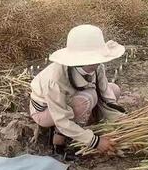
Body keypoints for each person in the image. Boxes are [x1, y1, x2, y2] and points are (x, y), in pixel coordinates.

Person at [30, 25, 125, 155]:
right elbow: (61, 119)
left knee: (113, 89)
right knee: (88, 98)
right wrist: (95, 142)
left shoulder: (97, 66)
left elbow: (106, 97)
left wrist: (123, 125)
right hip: (47, 112)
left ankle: (88, 126)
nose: (96, 63)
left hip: (72, 100)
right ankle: (58, 136)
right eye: (92, 59)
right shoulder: (56, 78)